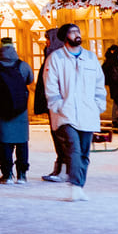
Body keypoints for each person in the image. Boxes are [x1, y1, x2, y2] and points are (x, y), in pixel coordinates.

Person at [42, 22, 105, 201]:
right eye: (72, 32)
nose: (77, 34)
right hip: (66, 114)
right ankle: (75, 185)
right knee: (73, 148)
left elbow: (99, 83)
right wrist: (58, 105)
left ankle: (79, 185)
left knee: (84, 153)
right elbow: (51, 85)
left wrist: (98, 104)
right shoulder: (55, 59)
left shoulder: (91, 58)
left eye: (78, 31)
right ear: (64, 37)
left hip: (88, 112)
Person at [0, 37, 33, 183]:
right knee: (22, 141)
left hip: (0, 110)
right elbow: (30, 80)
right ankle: (22, 175)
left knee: (4, 142)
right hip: (20, 111)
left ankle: (7, 175)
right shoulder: (23, 65)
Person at [36, 29, 71, 183]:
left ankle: (65, 169)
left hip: (60, 105)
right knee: (57, 137)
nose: (46, 43)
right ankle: (60, 167)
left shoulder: (59, 59)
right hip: (53, 104)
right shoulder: (51, 56)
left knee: (62, 137)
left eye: (48, 40)